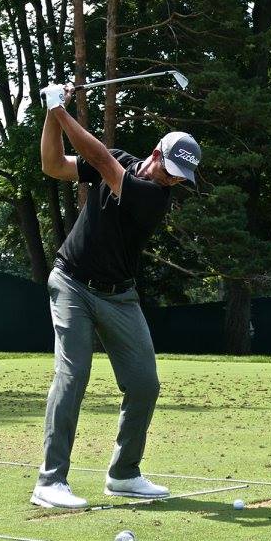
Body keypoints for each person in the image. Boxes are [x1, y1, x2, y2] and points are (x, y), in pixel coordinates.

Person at [30, 84, 200, 509]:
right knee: (73, 376)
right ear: (157, 154)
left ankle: (124, 474)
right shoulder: (124, 164)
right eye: (170, 171)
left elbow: (100, 159)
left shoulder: (152, 197)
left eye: (181, 178)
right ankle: (50, 482)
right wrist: (53, 114)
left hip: (119, 296)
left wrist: (61, 110)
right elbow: (53, 165)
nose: (173, 181)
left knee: (144, 383)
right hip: (71, 282)